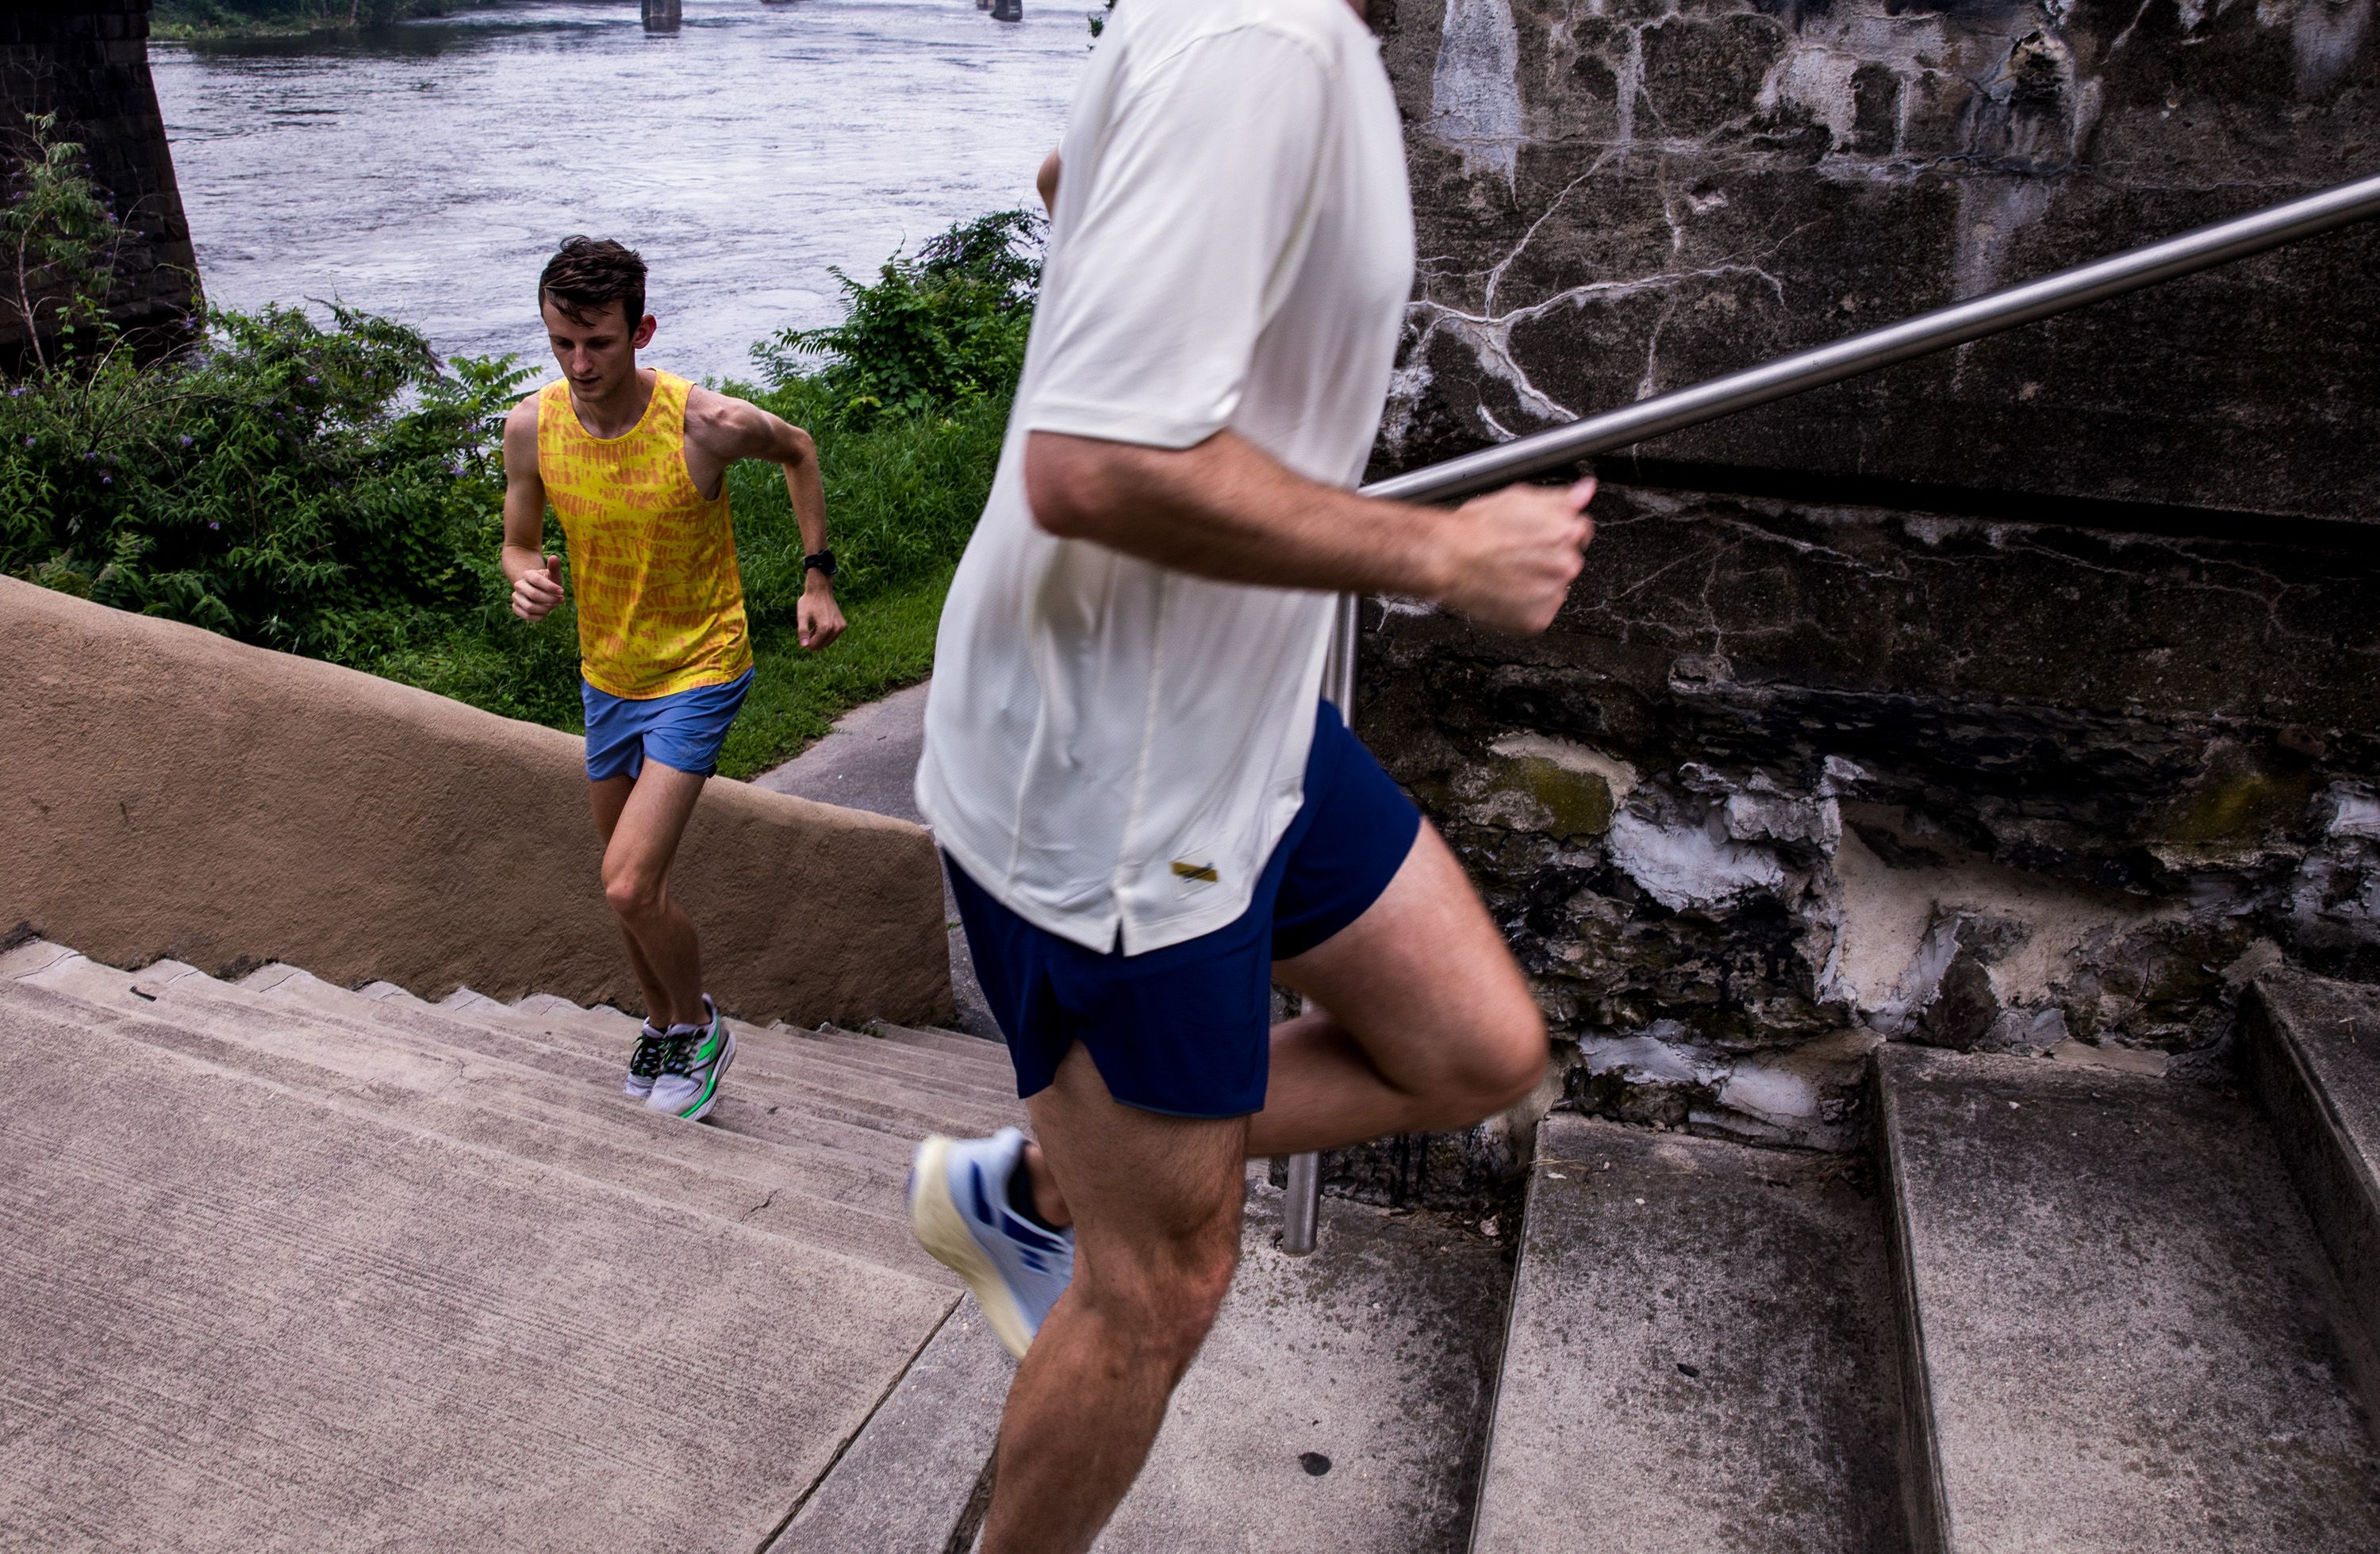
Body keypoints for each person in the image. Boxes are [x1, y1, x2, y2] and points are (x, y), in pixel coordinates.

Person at [901, 0, 1596, 1544]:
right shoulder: (1261, 37)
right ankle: (1081, 1209)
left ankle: (1043, 1179)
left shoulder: (1252, 28)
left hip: (1244, 715)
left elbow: (1061, 178)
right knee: (1166, 1285)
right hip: (1116, 784)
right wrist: (1444, 550)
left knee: (1473, 1043)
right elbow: (1093, 464)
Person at [501, 236, 846, 1121]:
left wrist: (816, 579)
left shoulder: (704, 424)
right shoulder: (532, 426)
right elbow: (516, 537)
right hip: (606, 673)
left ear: (642, 329)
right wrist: (524, 576)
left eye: (600, 344)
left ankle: (698, 1026)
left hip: (700, 666)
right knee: (624, 880)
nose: (580, 365)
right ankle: (660, 1022)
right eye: (562, 344)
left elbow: (800, 449)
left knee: (626, 882)